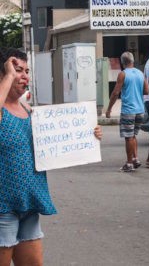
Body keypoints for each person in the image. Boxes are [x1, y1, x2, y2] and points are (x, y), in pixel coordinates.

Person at [0, 48, 102, 265]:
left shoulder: (27, 110)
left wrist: (88, 134)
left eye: (27, 71)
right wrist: (9, 76)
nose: (24, 75)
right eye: (17, 70)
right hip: (3, 207)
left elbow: (56, 142)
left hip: (29, 204)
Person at [106, 51, 149, 172]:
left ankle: (129, 163)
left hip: (128, 110)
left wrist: (109, 109)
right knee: (133, 135)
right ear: (133, 61)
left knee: (128, 137)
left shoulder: (123, 74)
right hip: (140, 110)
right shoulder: (140, 73)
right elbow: (146, 91)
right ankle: (135, 158)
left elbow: (115, 93)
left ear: (122, 62)